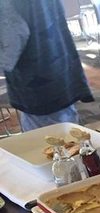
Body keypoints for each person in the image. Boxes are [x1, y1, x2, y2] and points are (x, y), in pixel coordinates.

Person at [0, 0, 94, 132]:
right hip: (58, 68)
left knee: (50, 136)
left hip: (37, 82)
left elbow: (11, 45)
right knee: (66, 129)